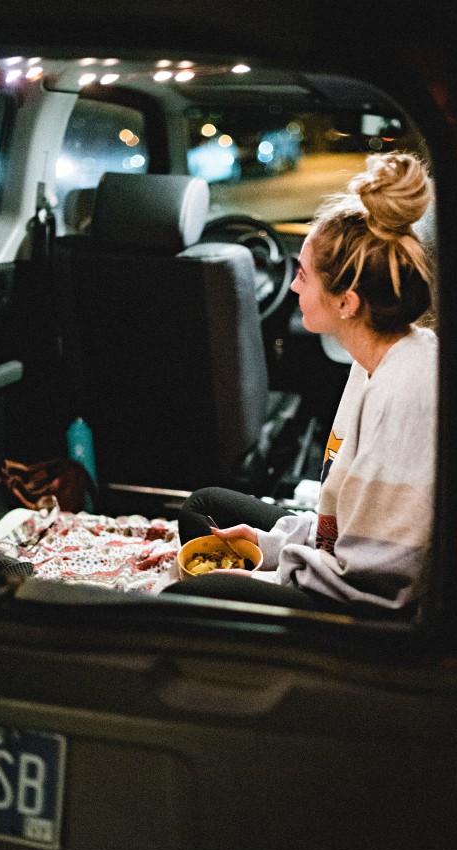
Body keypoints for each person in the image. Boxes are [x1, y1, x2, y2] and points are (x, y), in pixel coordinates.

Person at [164, 151, 438, 615]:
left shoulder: (405, 393)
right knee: (203, 507)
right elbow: (348, 527)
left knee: (181, 597)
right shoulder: (373, 359)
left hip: (364, 604)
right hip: (346, 554)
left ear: (347, 302)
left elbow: (376, 577)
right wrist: (266, 544)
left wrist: (274, 571)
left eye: (304, 276)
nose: (292, 287)